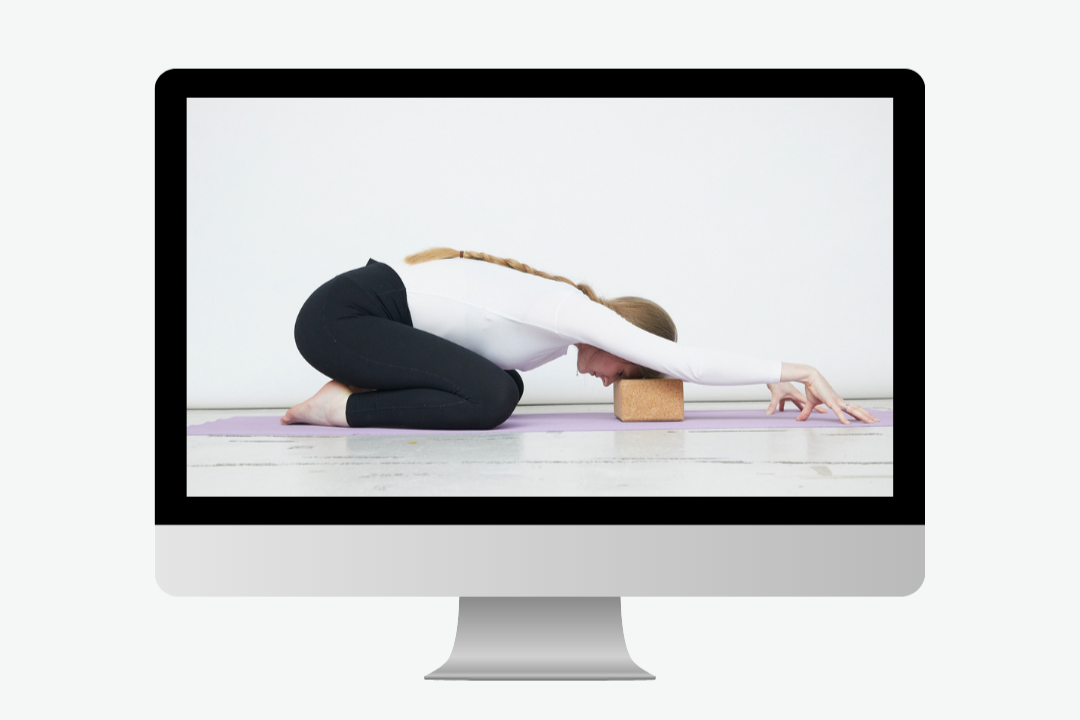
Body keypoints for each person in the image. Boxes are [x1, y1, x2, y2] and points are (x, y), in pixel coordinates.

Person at [281, 248, 879, 429]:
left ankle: (346, 396)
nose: (610, 380)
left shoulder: (555, 330)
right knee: (493, 396)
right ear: (626, 336)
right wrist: (796, 370)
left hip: (366, 322)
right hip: (342, 318)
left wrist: (765, 377)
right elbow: (688, 363)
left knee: (503, 385)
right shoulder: (574, 311)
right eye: (627, 370)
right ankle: (336, 409)